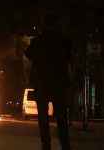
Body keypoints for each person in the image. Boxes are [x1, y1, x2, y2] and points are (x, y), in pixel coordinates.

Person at [25, 13, 72, 150]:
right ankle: (65, 145)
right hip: (59, 83)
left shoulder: (38, 41)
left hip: (42, 83)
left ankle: (46, 145)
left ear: (44, 25)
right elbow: (68, 58)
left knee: (43, 117)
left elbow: (28, 55)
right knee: (61, 117)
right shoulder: (64, 41)